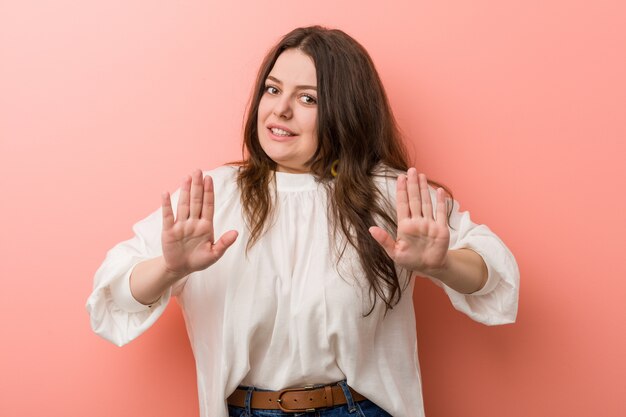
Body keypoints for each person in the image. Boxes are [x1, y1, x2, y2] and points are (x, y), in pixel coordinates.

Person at [86, 26, 519, 417]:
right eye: (273, 90)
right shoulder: (212, 196)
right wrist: (169, 269)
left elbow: (495, 278)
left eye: (307, 98)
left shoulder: (394, 193)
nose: (281, 111)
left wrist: (441, 264)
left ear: (346, 110)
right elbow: (112, 295)